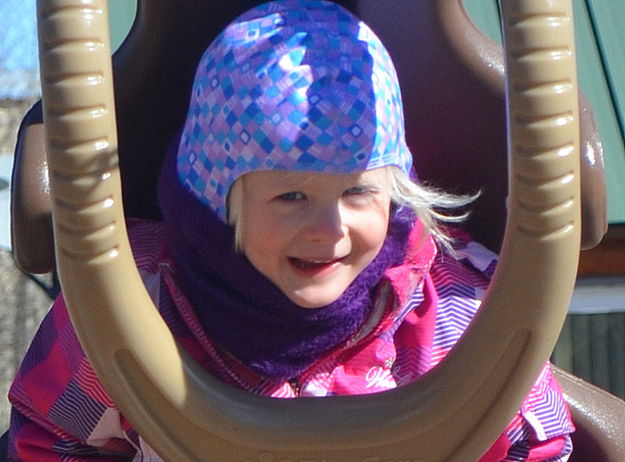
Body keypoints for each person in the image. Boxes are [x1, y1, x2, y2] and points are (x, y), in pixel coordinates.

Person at [7, 1, 575, 460]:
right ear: (216, 199)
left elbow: (533, 444)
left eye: (357, 192)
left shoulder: (453, 317)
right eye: (291, 196)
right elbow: (50, 438)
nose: (330, 230)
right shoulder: (128, 306)